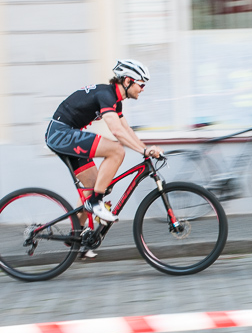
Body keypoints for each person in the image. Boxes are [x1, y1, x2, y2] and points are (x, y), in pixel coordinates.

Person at [45, 59, 163, 224]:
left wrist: (146, 149)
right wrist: (143, 151)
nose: (143, 89)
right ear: (128, 81)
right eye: (141, 84)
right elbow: (117, 131)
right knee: (117, 150)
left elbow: (127, 130)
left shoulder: (115, 100)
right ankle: (95, 203)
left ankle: (77, 235)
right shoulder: (107, 96)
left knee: (95, 186)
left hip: (64, 133)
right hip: (60, 133)